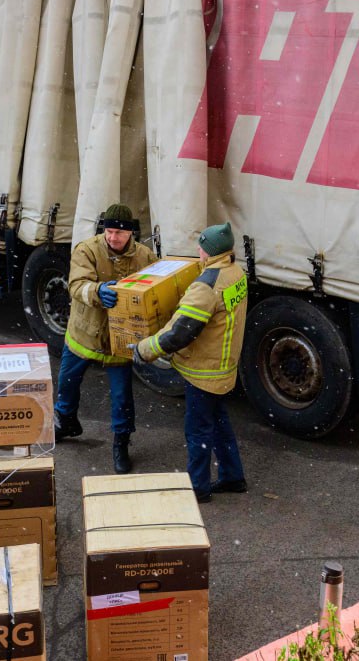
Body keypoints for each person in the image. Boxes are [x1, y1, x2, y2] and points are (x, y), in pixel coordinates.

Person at [134, 222, 248, 502]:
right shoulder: (236, 272)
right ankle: (233, 477)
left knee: (198, 431)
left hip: (203, 372)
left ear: (210, 251)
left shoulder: (207, 286)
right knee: (219, 423)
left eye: (202, 246)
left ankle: (198, 488)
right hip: (223, 365)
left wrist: (144, 350)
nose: (198, 250)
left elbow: (179, 333)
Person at [53, 204, 158, 474]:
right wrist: (97, 291)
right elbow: (76, 285)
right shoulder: (87, 250)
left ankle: (121, 443)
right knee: (67, 383)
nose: (113, 237)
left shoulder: (145, 256)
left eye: (119, 233)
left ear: (131, 233)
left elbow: (156, 289)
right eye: (109, 231)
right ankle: (66, 421)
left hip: (118, 341)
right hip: (84, 334)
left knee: (122, 397)